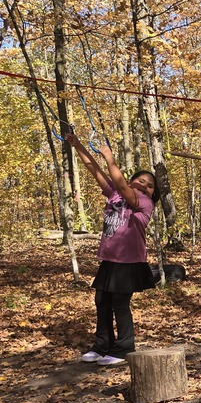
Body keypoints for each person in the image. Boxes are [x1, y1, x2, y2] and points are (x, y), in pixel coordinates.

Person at [68, 131, 159, 367]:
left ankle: (123, 349)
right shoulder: (115, 194)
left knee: (120, 303)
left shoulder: (144, 203)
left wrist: (110, 158)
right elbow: (94, 170)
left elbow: (120, 182)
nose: (145, 186)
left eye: (150, 186)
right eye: (141, 181)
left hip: (129, 262)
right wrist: (77, 144)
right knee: (102, 301)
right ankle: (102, 346)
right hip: (110, 259)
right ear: (131, 181)